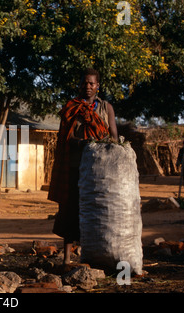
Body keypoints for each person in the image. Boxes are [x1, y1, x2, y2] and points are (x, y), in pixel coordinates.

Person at [48, 68, 118, 271]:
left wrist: (105, 145)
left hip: (99, 170)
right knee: (70, 211)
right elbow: (67, 138)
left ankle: (95, 256)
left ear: (98, 86)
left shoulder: (106, 108)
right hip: (75, 168)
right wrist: (84, 143)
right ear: (79, 85)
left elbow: (113, 136)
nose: (88, 87)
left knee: (98, 212)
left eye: (92, 83)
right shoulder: (72, 108)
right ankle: (67, 259)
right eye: (84, 83)